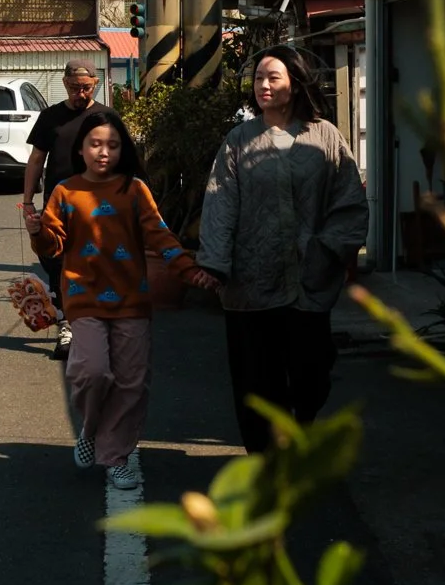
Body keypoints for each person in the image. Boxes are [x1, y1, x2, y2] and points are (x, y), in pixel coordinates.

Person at [27, 107, 215, 494]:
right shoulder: (65, 192)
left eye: (112, 145)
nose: (103, 152)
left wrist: (188, 271)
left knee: (132, 382)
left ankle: (115, 457)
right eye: (95, 144)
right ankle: (92, 429)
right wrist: (37, 231)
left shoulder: (134, 190)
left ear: (121, 150)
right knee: (90, 371)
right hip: (83, 297)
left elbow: (160, 237)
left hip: (132, 300)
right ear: (80, 149)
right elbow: (53, 246)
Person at [198, 46, 371, 454]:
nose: (263, 85)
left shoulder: (325, 136)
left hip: (307, 280)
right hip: (250, 281)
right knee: (257, 378)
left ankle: (302, 426)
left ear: (294, 83)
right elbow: (220, 203)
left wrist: (331, 249)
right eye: (259, 78)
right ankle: (265, 460)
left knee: (312, 372)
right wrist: (215, 264)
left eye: (273, 77)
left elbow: (348, 200)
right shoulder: (239, 140)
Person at [20, 61, 102, 360]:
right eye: (74, 87)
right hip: (57, 207)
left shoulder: (105, 117)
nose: (80, 93)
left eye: (87, 88)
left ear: (96, 83)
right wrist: (28, 201)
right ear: (65, 83)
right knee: (56, 264)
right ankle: (67, 326)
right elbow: (36, 159)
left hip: (97, 207)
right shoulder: (50, 117)